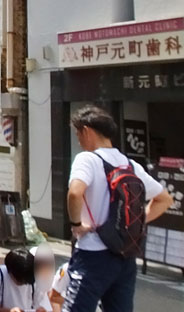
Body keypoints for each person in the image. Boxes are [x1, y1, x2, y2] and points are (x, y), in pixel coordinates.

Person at [63, 106, 171, 312]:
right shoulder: (130, 164)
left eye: (78, 134)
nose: (78, 140)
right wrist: (133, 222)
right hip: (125, 256)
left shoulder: (87, 159)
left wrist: (76, 224)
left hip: (92, 253)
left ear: (86, 130)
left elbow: (75, 192)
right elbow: (164, 199)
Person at [0, 246, 52, 312]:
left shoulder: (36, 278)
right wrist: (10, 311)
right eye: (21, 281)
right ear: (10, 272)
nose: (24, 283)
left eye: (26, 281)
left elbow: (43, 305)